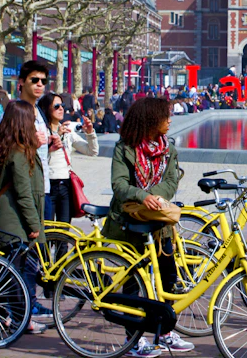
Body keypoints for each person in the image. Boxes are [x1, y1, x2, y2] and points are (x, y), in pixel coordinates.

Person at [100, 98, 194, 354]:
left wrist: (154, 196)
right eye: (166, 116)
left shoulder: (168, 150)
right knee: (133, 283)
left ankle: (163, 331)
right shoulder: (125, 148)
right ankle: (134, 340)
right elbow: (119, 185)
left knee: (167, 278)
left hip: (160, 224)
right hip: (130, 224)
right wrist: (143, 197)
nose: (170, 120)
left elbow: (172, 182)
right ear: (151, 119)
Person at [0, 99, 50, 335]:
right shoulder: (20, 153)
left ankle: (1, 317)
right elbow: (24, 194)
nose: (35, 126)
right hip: (14, 222)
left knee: (4, 274)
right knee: (16, 276)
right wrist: (35, 226)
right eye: (32, 122)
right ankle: (23, 320)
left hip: (2, 220)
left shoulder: (2, 146)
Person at [39, 93, 98, 225]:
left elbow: (92, 151)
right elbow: (37, 157)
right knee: (47, 230)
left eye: (62, 105)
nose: (61, 109)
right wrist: (54, 139)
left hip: (65, 185)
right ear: (46, 108)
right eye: (56, 106)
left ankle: (63, 246)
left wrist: (90, 133)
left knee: (64, 232)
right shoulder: (42, 132)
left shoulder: (67, 132)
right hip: (47, 186)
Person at [17, 61, 54, 221]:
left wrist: (50, 146)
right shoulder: (15, 112)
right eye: (34, 80)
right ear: (21, 82)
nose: (39, 84)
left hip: (43, 187)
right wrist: (32, 145)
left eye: (43, 81)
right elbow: (3, 152)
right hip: (26, 190)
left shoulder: (39, 112)